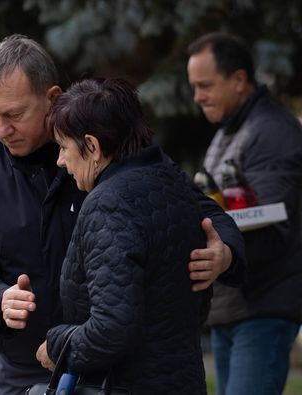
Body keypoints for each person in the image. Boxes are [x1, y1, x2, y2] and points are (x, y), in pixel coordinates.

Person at [0, 34, 245, 395]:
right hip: (24, 365)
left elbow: (198, 208)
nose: (0, 130)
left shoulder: (112, 147)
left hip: (111, 367)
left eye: (13, 114)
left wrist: (224, 252)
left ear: (52, 98)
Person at [34, 77, 209, 393]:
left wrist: (56, 344)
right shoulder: (174, 185)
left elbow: (112, 329)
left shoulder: (108, 204)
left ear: (93, 146)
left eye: (63, 147)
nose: (60, 161)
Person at [186, 32, 302, 395]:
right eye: (193, 87)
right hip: (236, 307)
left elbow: (270, 227)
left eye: (205, 85)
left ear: (239, 80)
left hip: (264, 308)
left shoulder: (272, 132)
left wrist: (220, 255)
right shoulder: (232, 128)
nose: (197, 97)